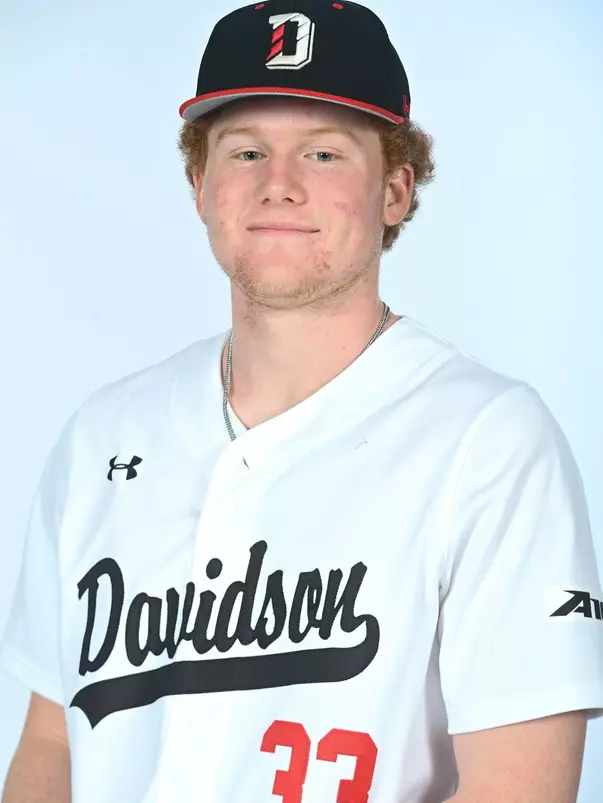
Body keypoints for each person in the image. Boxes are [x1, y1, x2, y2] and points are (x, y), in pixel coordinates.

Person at [1, 1, 602, 802]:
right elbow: (50, 745)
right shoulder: (102, 434)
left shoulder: (487, 440)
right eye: (246, 151)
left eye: (323, 153)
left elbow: (518, 789)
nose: (277, 185)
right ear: (199, 185)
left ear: (395, 189)